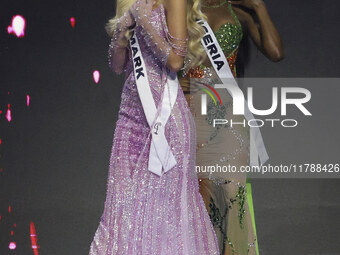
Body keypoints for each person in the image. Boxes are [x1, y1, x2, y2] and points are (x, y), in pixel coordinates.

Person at [88, 0, 221, 254]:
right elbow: (117, 66)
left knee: (167, 212)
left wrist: (145, 22)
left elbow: (175, 62)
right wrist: (123, 28)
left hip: (167, 118)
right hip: (130, 117)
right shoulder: (129, 1)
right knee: (122, 210)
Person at [178, 0, 284, 254]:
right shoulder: (182, 7)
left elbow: (276, 53)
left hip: (228, 113)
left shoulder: (238, 12)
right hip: (190, 112)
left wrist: (259, 8)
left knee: (232, 192)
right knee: (201, 195)